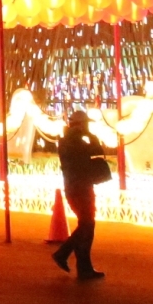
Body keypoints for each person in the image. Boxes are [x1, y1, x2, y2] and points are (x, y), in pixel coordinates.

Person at [53, 110, 108, 280]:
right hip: (80, 188)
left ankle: (84, 267)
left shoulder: (66, 141)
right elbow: (97, 150)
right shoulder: (74, 142)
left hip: (75, 187)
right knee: (87, 225)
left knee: (86, 226)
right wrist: (90, 135)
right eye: (86, 124)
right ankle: (64, 254)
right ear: (80, 125)